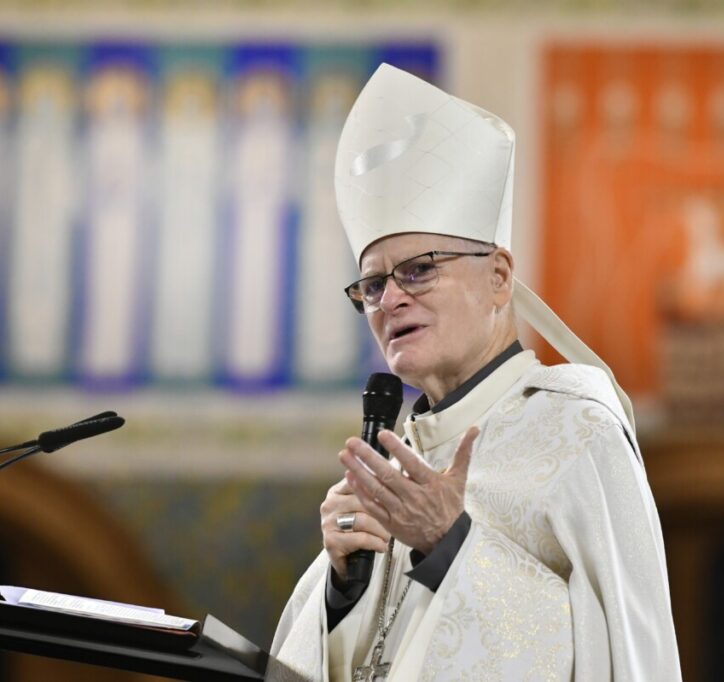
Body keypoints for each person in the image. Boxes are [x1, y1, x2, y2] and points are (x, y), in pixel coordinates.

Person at [266, 64, 681, 681]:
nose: (390, 301)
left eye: (419, 269)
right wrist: (341, 589)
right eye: (373, 284)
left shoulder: (578, 433)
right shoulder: (400, 459)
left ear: (499, 278)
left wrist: (451, 546)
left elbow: (616, 655)